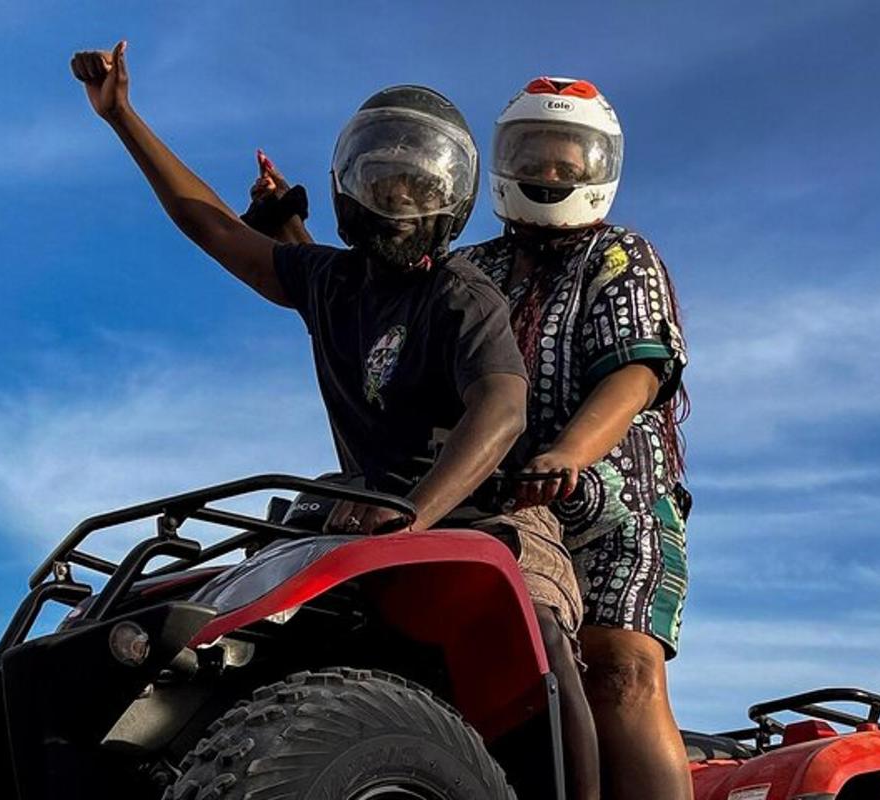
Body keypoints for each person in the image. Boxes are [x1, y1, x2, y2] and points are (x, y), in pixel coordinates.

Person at [69, 45, 599, 800]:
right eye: (381, 179)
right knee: (232, 623)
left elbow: (503, 407)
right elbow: (215, 228)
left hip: (486, 513)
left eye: (417, 185)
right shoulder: (332, 283)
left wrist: (414, 514)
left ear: (447, 198)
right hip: (358, 512)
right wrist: (123, 117)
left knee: (539, 623)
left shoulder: (463, 295)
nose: (397, 197)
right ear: (351, 187)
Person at [248, 75, 693, 800]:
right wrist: (287, 229)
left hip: (613, 508)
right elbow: (360, 288)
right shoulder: (472, 266)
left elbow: (636, 376)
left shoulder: (618, 258)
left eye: (568, 160)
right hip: (487, 499)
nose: (551, 173)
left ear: (598, 168)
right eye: (536, 155)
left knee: (622, 670)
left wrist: (568, 454)